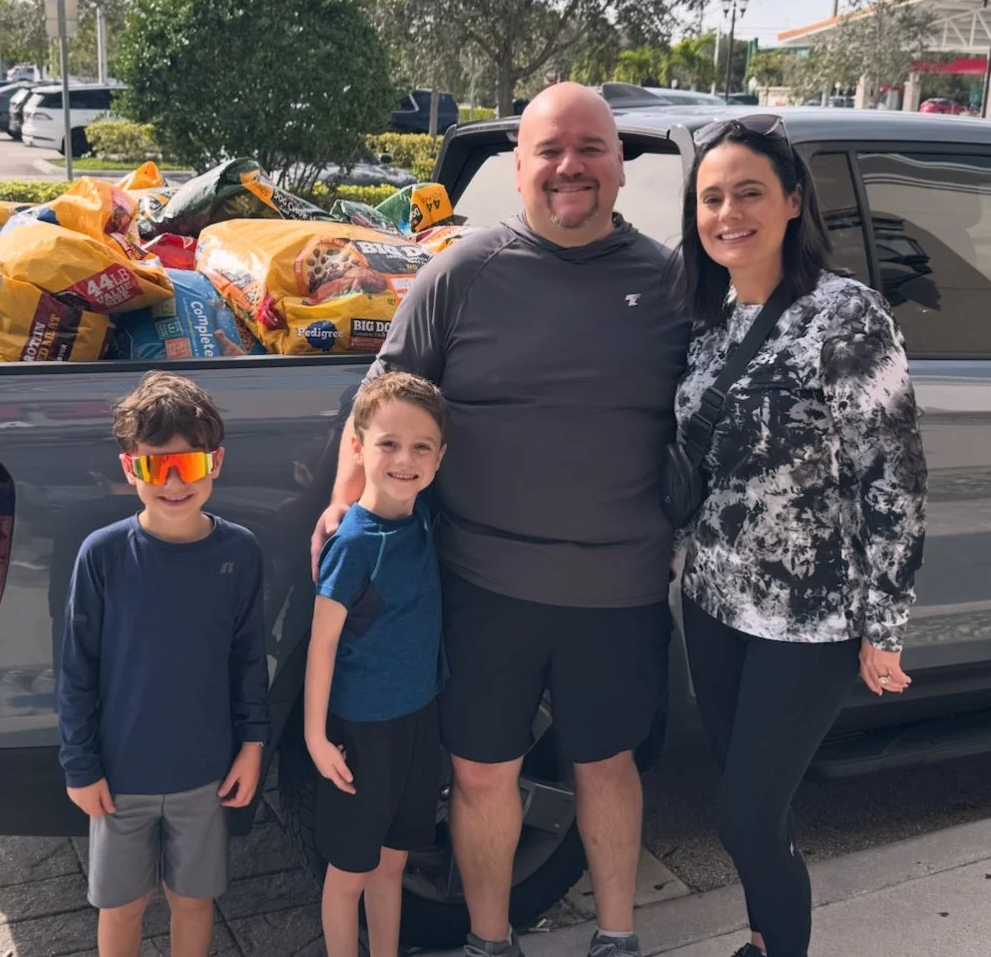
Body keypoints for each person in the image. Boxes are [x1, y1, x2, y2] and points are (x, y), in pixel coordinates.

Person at [312, 82, 690, 957]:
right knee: (484, 772)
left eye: (591, 148)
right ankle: (491, 943)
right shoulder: (463, 274)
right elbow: (380, 402)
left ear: (620, 166)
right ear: (519, 168)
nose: (570, 167)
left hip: (621, 585)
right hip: (483, 586)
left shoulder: (672, 284)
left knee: (607, 765)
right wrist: (343, 502)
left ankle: (618, 937)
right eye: (549, 150)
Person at [672, 115, 927, 957]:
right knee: (763, 812)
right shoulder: (710, 324)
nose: (727, 212)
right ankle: (762, 934)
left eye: (748, 192)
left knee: (742, 815)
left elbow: (891, 472)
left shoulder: (845, 314)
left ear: (791, 201)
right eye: (711, 198)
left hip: (810, 618)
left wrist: (883, 625)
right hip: (713, 601)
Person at [57, 371, 269, 957]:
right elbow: (77, 669)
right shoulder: (101, 556)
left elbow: (249, 657)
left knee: (193, 902)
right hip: (120, 779)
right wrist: (80, 765)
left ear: (215, 463)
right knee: (122, 907)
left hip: (205, 773)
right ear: (131, 470)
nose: (174, 482)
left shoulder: (240, 552)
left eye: (190, 464)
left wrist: (252, 745)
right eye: (155, 467)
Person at [306, 371, 449, 957]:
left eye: (421, 447)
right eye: (388, 444)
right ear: (359, 448)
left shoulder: (420, 520)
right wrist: (316, 736)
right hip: (361, 735)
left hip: (418, 723)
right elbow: (323, 644)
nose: (404, 460)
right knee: (349, 874)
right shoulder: (354, 542)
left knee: (393, 864)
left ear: (440, 458)